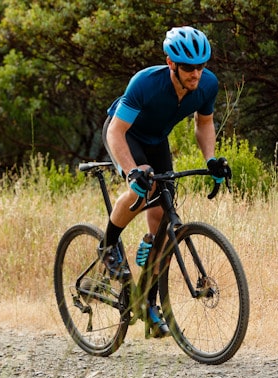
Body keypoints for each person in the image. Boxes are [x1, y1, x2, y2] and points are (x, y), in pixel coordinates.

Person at [98, 26, 232, 338]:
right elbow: (116, 132)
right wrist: (132, 171)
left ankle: (148, 304)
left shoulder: (207, 84)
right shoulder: (146, 83)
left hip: (156, 140)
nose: (196, 74)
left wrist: (210, 159)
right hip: (125, 135)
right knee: (143, 187)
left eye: (200, 66)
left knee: (163, 220)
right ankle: (108, 244)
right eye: (188, 67)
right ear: (171, 64)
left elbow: (204, 123)